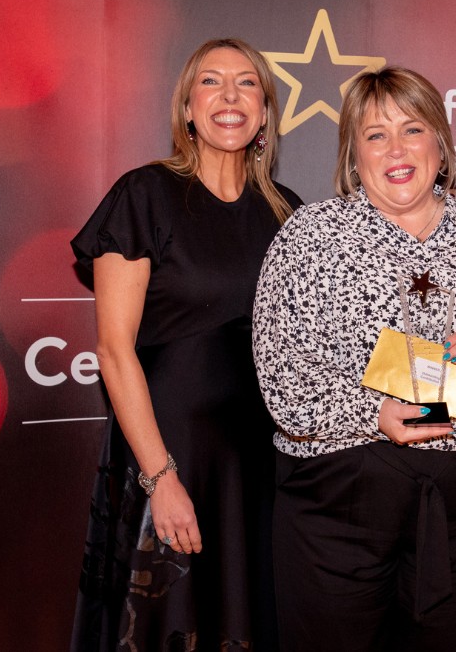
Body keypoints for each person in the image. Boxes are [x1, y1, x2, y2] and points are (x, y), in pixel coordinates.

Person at [252, 66, 456, 652]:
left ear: (440, 144)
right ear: (354, 155)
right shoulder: (310, 236)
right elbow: (283, 379)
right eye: (375, 134)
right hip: (336, 511)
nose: (396, 149)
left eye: (412, 129)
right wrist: (373, 412)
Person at [69, 38, 301, 651]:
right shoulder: (144, 194)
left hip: (257, 463)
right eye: (211, 81)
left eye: (247, 83)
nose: (230, 96)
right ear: (188, 109)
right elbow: (114, 351)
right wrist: (161, 477)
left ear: (265, 112)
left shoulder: (288, 214)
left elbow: (319, 343)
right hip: (168, 452)